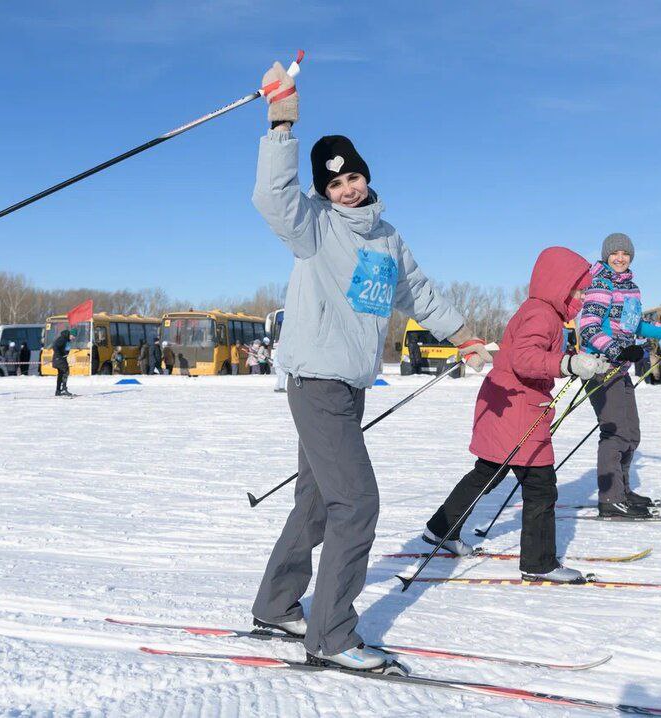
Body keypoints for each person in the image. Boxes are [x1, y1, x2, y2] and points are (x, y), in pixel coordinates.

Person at [248, 60, 489, 673]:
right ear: (323, 192)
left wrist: (463, 337)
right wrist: (281, 123)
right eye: (335, 183)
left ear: (366, 176)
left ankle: (277, 604)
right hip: (316, 382)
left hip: (350, 386)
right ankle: (330, 635)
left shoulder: (387, 238)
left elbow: (421, 295)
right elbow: (272, 199)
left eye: (352, 176)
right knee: (357, 504)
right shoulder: (315, 227)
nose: (347, 188)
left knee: (319, 501)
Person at [422, 247, 609, 583]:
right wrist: (566, 364)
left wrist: (582, 362)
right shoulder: (542, 314)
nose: (581, 297)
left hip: (508, 404)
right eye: (578, 289)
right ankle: (539, 563)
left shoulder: (540, 311)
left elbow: (538, 353)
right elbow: (525, 359)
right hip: (520, 408)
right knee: (540, 487)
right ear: (559, 284)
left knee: (488, 473)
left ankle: (441, 530)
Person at [579, 233, 661, 519]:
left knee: (631, 432)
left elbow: (636, 325)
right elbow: (588, 328)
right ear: (606, 255)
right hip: (600, 367)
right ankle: (611, 499)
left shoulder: (631, 287)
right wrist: (619, 349)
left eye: (625, 254)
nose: (620, 258)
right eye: (615, 253)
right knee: (615, 432)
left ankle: (623, 491)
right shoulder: (600, 285)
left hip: (620, 366)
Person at [52, 329, 73, 396]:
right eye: (73, 336)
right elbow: (55, 346)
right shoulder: (62, 339)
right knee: (66, 371)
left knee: (61, 374)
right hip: (59, 359)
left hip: (60, 359)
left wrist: (65, 354)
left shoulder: (67, 340)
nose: (73, 338)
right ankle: (63, 389)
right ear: (69, 334)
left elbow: (64, 350)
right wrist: (59, 355)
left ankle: (58, 391)